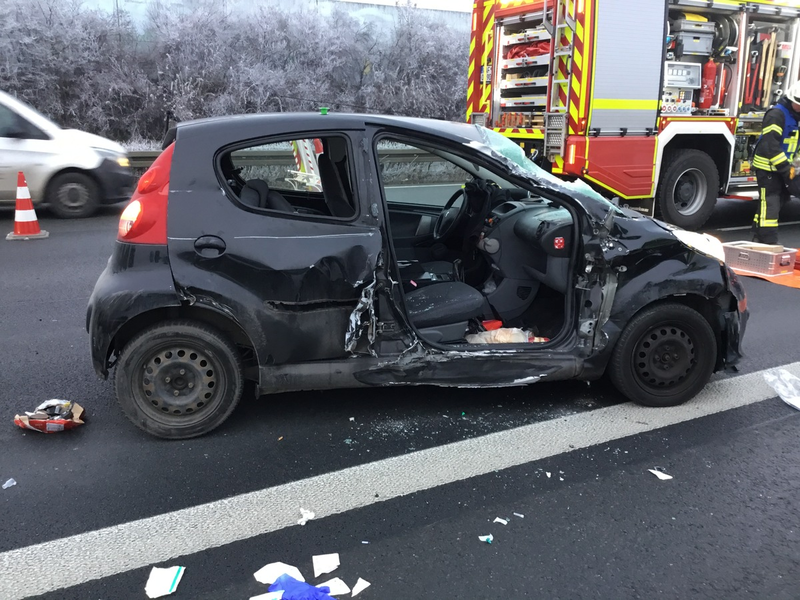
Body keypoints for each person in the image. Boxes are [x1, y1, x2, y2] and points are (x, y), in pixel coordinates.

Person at [751, 81, 800, 244]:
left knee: (777, 203)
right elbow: (770, 145)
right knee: (770, 204)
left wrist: (796, 166)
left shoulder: (796, 117)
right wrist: (786, 169)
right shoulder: (776, 115)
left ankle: (758, 236)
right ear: (791, 98)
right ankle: (768, 241)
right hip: (768, 169)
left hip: (784, 168)